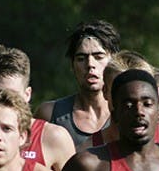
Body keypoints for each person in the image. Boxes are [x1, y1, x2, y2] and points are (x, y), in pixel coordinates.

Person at [35, 20, 118, 148]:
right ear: (72, 65)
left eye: (99, 57)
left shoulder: (126, 113)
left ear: (113, 61)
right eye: (81, 58)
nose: (90, 64)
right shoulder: (49, 114)